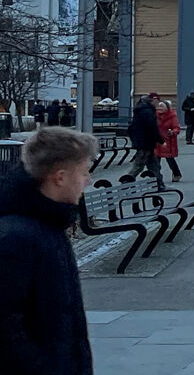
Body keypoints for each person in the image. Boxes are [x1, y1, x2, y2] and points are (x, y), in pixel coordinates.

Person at [0, 124, 99, 374]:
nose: (87, 180)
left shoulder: (47, 225)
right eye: (84, 172)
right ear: (60, 176)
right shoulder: (16, 237)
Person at [124, 92, 163, 188]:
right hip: (146, 143)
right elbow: (152, 127)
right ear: (150, 101)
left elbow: (131, 128)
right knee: (139, 165)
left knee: (154, 165)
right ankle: (126, 182)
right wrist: (160, 139)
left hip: (142, 142)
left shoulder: (139, 111)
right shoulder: (148, 112)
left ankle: (159, 184)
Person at [155, 99, 184, 183]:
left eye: (162, 106)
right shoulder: (155, 116)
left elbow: (176, 128)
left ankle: (176, 174)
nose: (160, 108)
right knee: (156, 160)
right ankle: (156, 177)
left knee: (170, 159)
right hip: (157, 141)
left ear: (167, 108)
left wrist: (173, 132)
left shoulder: (172, 116)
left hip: (168, 141)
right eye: (159, 106)